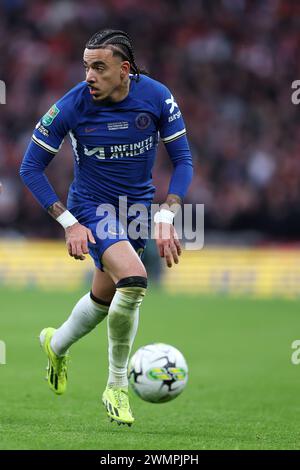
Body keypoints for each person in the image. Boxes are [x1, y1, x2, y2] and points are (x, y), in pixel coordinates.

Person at [20, 29, 193, 426]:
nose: (89, 76)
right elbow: (30, 167)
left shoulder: (156, 97)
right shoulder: (72, 105)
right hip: (91, 209)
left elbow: (183, 158)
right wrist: (69, 222)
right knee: (133, 280)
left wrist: (166, 216)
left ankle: (56, 344)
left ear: (124, 69)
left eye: (99, 67)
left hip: (136, 213)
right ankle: (116, 385)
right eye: (86, 66)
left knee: (102, 300)